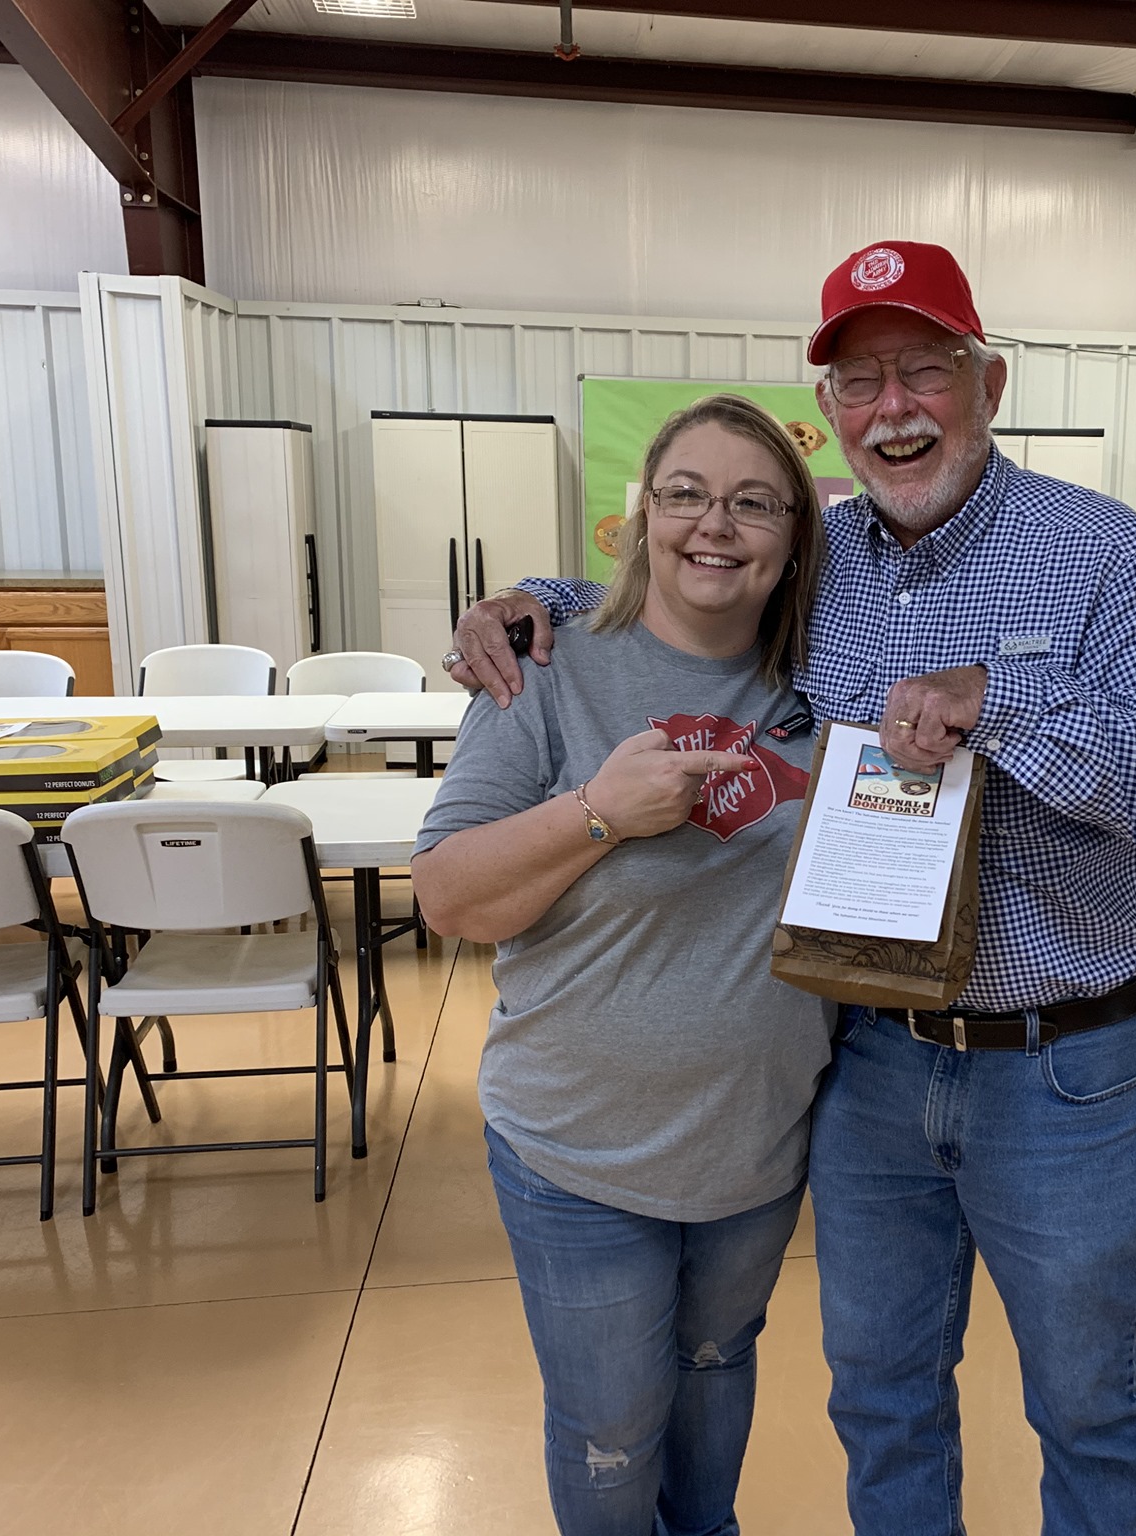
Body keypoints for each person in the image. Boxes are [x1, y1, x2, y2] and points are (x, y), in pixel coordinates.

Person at [445, 241, 1136, 1536]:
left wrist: (1003, 703)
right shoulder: (820, 560)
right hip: (867, 1062)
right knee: (881, 1399)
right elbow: (679, 586)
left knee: (1090, 1409)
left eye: (923, 370)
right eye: (860, 382)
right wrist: (525, 602)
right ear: (829, 411)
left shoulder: (1107, 556)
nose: (894, 408)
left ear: (988, 383)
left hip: (1061, 1068)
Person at [411, 393, 831, 1536]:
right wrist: (596, 812)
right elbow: (445, 896)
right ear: (642, 516)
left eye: (754, 504)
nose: (715, 525)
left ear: (796, 535)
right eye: (684, 495)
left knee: (713, 1385)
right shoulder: (547, 671)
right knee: (610, 1435)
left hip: (756, 1146)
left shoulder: (826, 681)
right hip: (577, 1152)